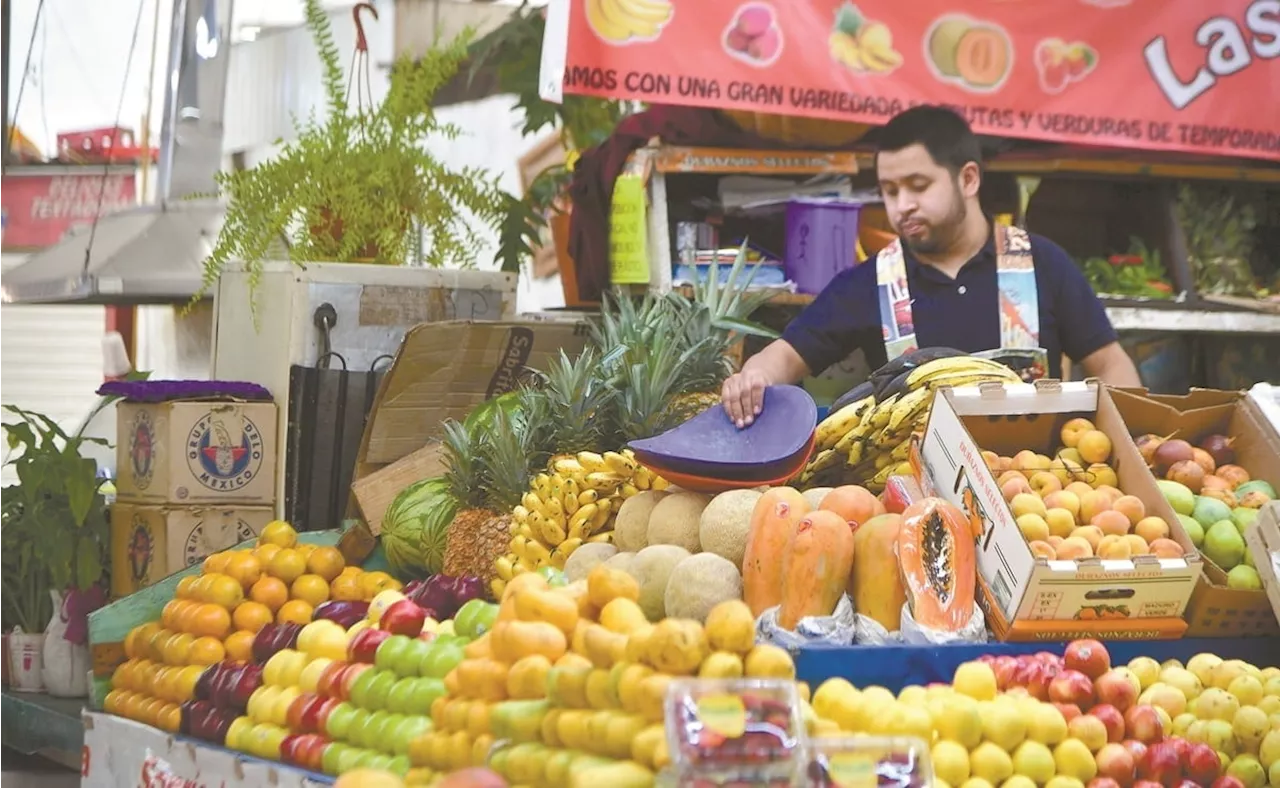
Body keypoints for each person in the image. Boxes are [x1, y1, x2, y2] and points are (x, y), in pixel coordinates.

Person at [722, 105, 1141, 427]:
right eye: (889, 190)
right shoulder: (869, 283)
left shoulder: (1042, 264)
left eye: (918, 186)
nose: (902, 206)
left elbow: (1111, 365)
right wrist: (753, 377)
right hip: (915, 495)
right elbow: (785, 358)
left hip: (1038, 495)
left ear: (969, 179)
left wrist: (1124, 440)